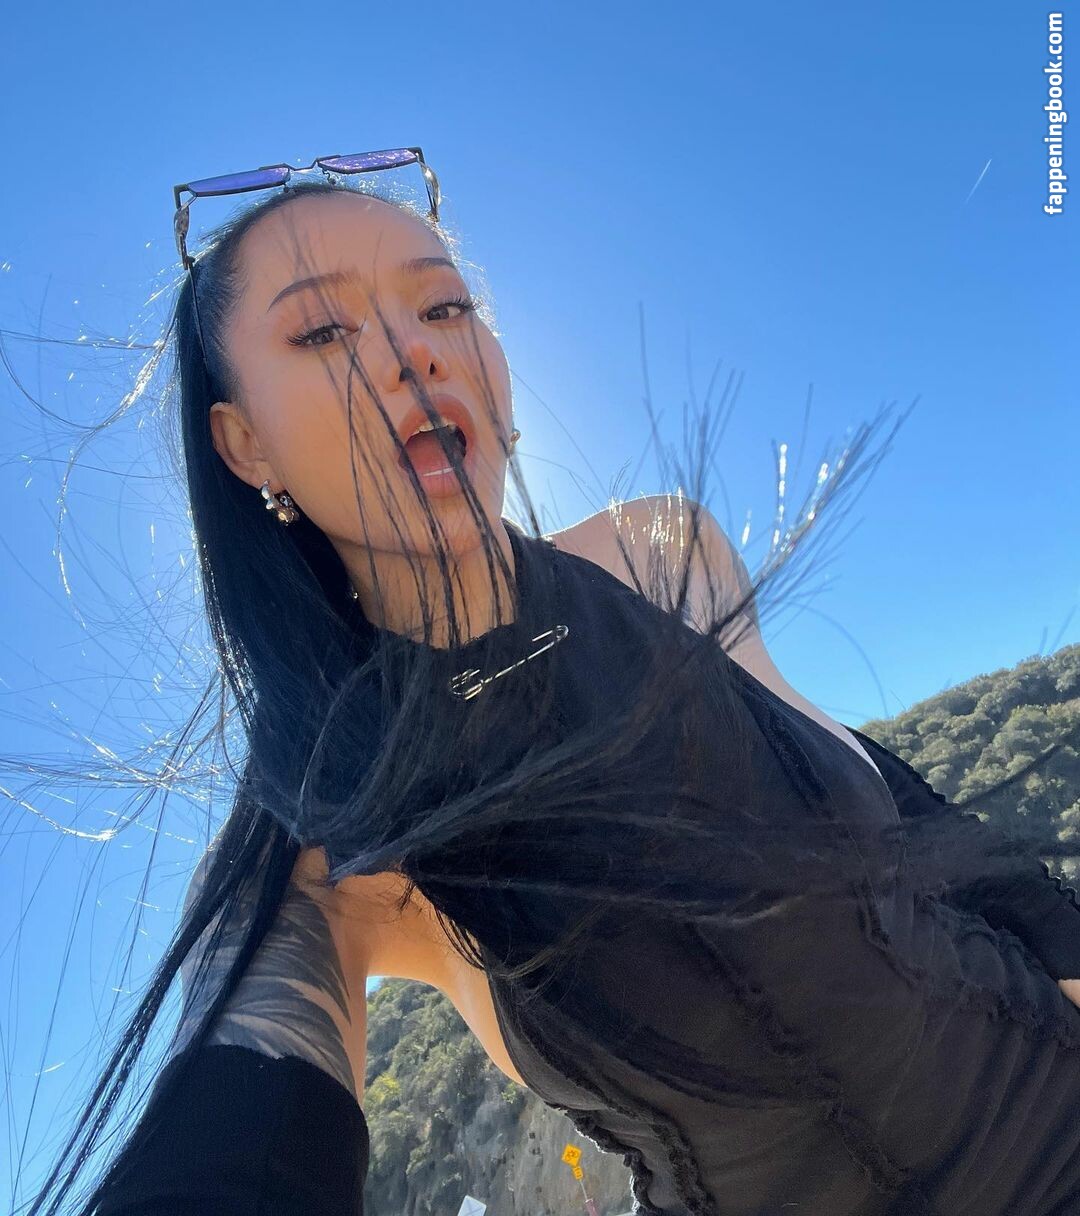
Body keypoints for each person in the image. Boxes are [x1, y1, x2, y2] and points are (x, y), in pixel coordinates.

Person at [16, 153, 1080, 1216]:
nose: (411, 351)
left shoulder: (661, 555)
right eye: (325, 332)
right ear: (246, 443)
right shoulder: (320, 835)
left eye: (443, 306)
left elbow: (911, 824)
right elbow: (235, 1137)